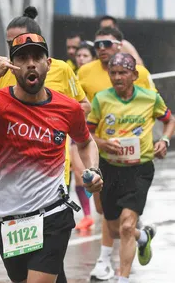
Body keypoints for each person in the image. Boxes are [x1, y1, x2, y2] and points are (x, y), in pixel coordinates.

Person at [0, 32, 103, 283]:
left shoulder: (68, 107)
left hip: (52, 214)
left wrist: (94, 169)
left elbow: (85, 142)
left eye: (37, 57)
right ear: (12, 67)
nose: (30, 63)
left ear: (48, 63)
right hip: (8, 220)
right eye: (22, 58)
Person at [0, 7, 90, 282]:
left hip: (53, 172)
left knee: (48, 248)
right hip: (14, 191)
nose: (25, 60)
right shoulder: (1, 76)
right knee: (42, 268)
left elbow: (81, 105)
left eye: (31, 51)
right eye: (13, 47)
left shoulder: (60, 68)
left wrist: (52, 113)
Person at [87, 53, 175, 283]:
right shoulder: (101, 99)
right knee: (115, 228)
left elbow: (170, 120)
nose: (117, 77)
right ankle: (143, 237)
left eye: (122, 73)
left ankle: (122, 279)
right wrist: (104, 143)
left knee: (127, 226)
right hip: (109, 169)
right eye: (113, 73)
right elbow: (87, 133)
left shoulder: (150, 98)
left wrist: (164, 140)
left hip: (139, 169)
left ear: (134, 75)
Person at [77, 26, 156, 280]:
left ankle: (107, 264)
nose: (101, 49)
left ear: (119, 45)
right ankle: (141, 237)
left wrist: (159, 139)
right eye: (97, 44)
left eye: (107, 44)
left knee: (125, 224)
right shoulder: (85, 72)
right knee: (105, 215)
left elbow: (151, 103)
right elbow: (78, 107)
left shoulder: (140, 74)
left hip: (135, 162)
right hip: (96, 152)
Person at [70, 41, 97, 231]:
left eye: (85, 55)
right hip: (76, 130)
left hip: (100, 132)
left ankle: (106, 210)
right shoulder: (70, 77)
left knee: (100, 176)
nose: (80, 58)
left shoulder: (102, 77)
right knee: (81, 174)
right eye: (79, 55)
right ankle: (87, 215)